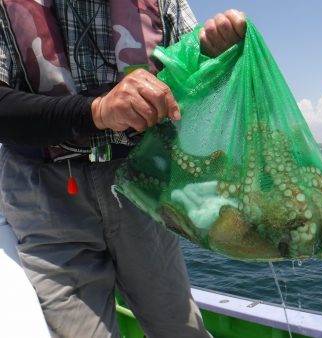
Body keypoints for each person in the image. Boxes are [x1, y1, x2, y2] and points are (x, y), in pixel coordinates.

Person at [0, 1, 246, 337]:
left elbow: (194, 81)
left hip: (139, 185)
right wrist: (97, 111)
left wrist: (210, 52)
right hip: (44, 198)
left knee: (180, 327)